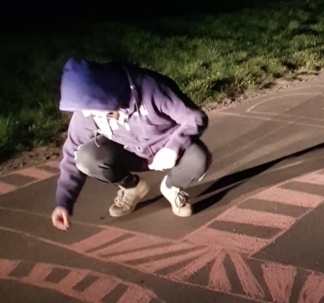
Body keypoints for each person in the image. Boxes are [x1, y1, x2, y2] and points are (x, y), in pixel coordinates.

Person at [51, 58, 210, 230]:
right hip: (130, 153)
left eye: (90, 107)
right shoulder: (86, 113)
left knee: (198, 158)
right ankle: (132, 187)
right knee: (85, 157)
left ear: (103, 94)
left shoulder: (150, 88)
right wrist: (63, 202)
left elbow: (195, 118)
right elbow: (71, 152)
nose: (86, 113)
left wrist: (173, 148)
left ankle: (171, 187)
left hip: (167, 147)